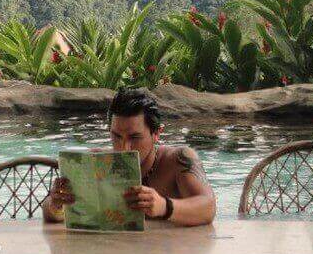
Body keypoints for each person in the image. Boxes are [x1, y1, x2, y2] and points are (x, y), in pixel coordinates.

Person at [43, 87, 216, 226]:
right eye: (117, 136)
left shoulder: (178, 160)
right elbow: (51, 215)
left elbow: (208, 207)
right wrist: (56, 204)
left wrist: (163, 206)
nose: (124, 147)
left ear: (157, 133)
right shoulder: (95, 162)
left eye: (134, 137)